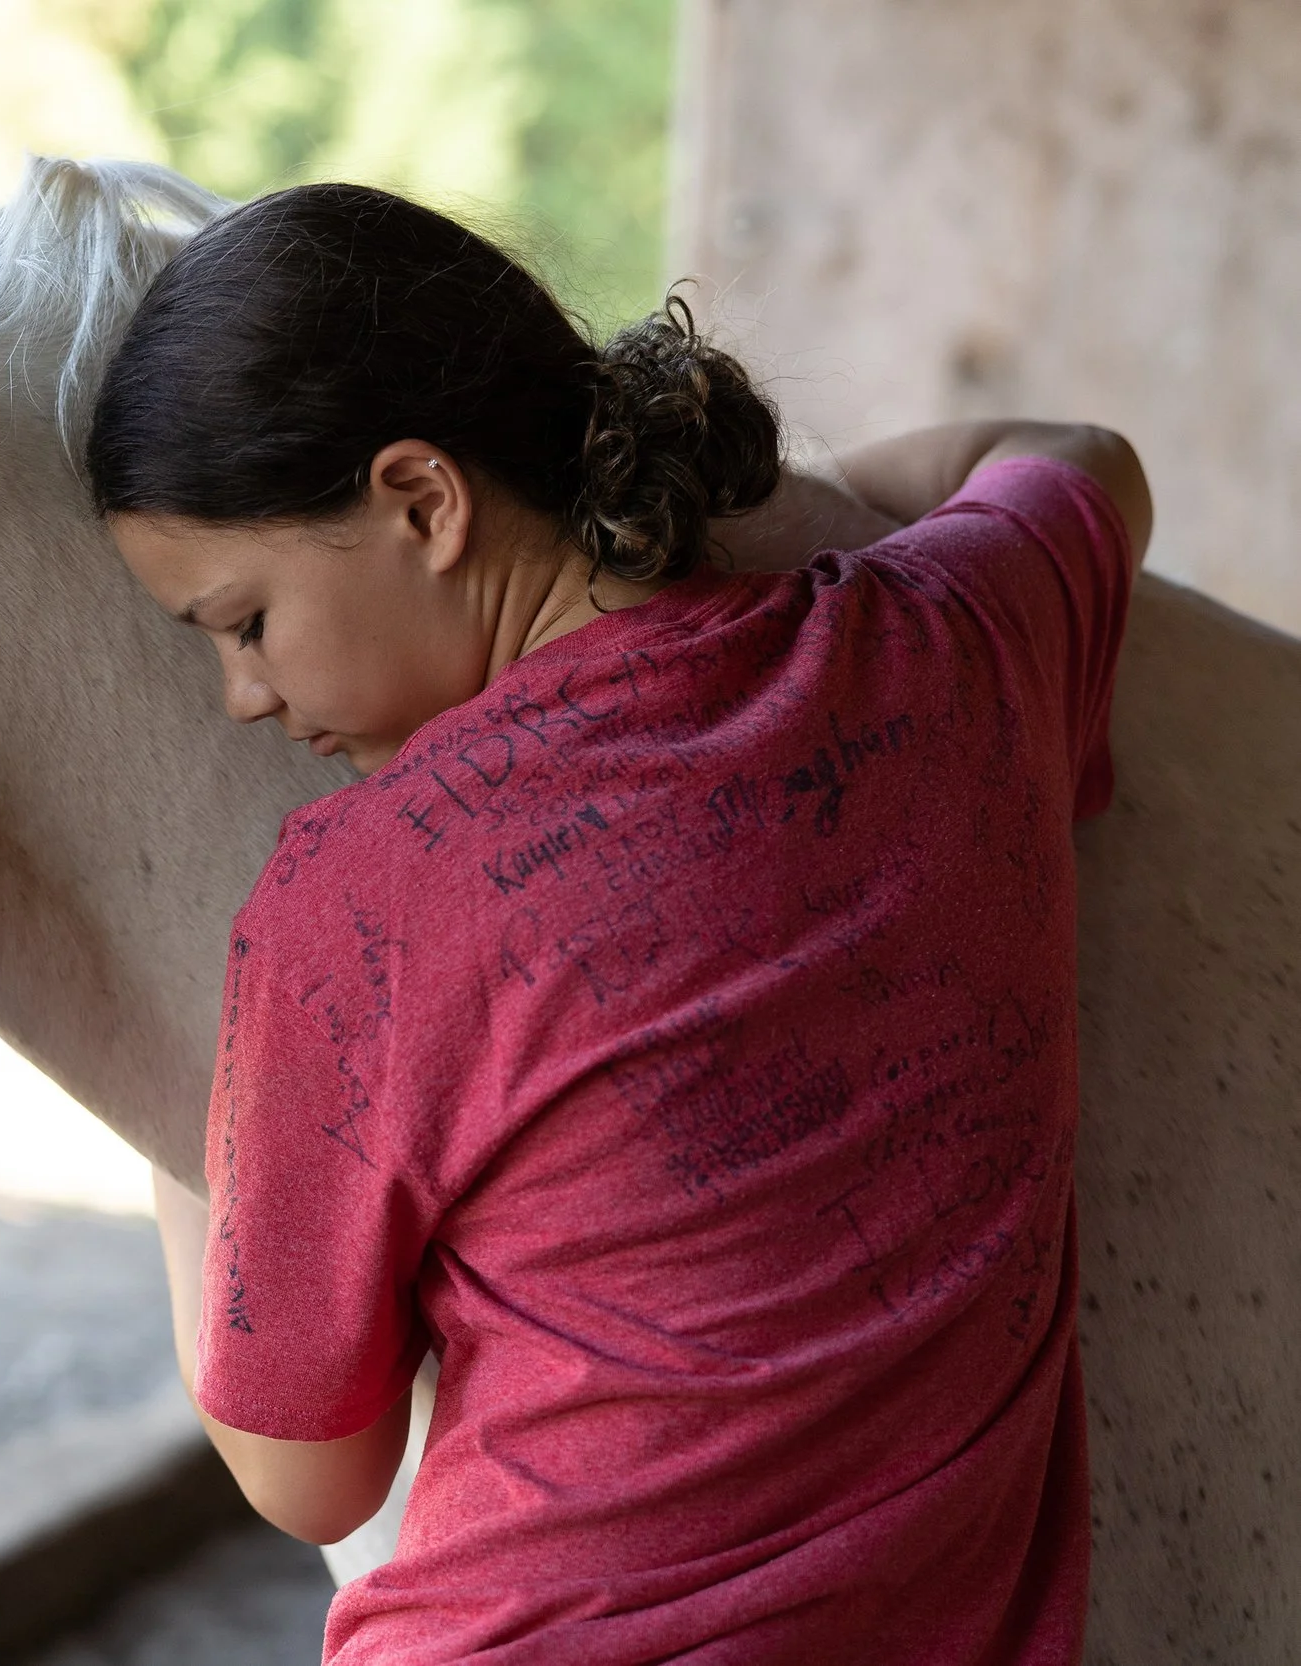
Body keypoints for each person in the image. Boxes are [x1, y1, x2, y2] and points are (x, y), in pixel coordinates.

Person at [85, 182, 1151, 1664]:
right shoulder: (962, 638)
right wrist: (791, 513)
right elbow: (1080, 460)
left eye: (243, 619)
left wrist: (181, 1146)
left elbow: (305, 1472)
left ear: (422, 500)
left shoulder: (359, 899)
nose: (244, 696)